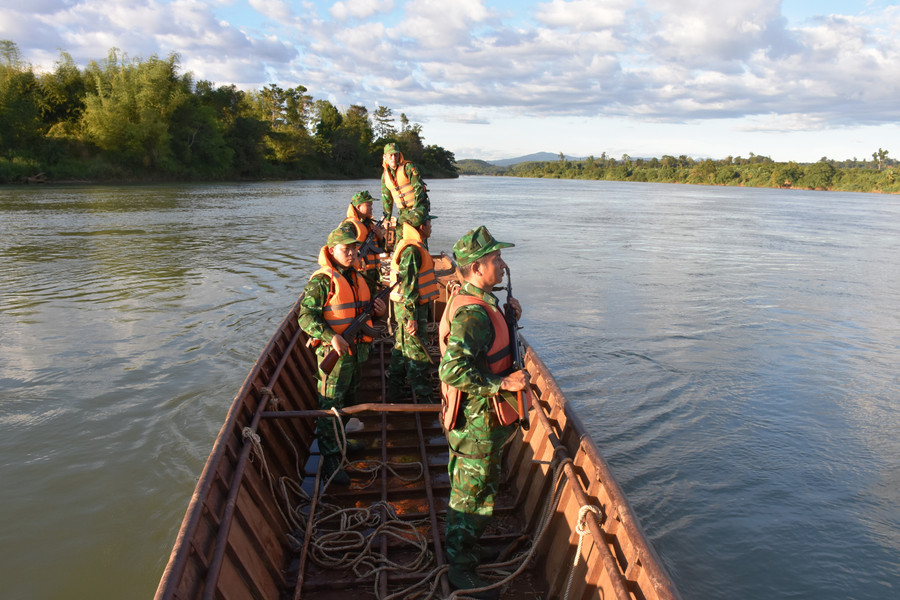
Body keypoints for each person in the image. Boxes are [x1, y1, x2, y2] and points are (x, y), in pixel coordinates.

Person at [438, 226, 529, 599]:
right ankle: (461, 568)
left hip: (481, 422)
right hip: (476, 424)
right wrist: (502, 384)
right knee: (471, 496)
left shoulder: (480, 302)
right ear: (476, 268)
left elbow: (488, 349)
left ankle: (468, 549)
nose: (503, 265)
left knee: (476, 490)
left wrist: (510, 318)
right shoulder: (473, 315)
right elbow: (452, 370)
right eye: (496, 259)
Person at [298, 221, 386, 485]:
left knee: (348, 401)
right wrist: (331, 336)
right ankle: (331, 460)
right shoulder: (323, 282)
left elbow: (364, 313)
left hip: (356, 353)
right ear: (331, 251)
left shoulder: (357, 277)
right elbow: (305, 317)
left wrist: (379, 312)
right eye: (345, 249)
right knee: (330, 407)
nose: (351, 253)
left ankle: (343, 441)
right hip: (334, 357)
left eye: (354, 248)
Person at [386, 211, 439, 404]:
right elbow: (409, 287)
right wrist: (412, 318)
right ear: (421, 227)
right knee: (418, 353)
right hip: (411, 309)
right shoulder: (412, 251)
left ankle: (393, 392)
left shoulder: (415, 246)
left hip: (410, 308)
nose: (431, 227)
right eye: (429, 223)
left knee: (401, 349)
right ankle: (425, 400)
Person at [381, 142, 429, 241]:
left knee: (414, 230)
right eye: (390, 155)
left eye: (396, 155)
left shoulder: (408, 167)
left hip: (419, 207)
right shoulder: (385, 176)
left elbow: (419, 188)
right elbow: (386, 198)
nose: (393, 158)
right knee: (399, 236)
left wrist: (415, 207)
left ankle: (421, 249)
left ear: (399, 155)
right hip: (403, 211)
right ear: (385, 157)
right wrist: (387, 218)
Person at [343, 190, 385, 288]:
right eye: (368, 205)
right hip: (361, 273)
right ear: (358, 207)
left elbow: (382, 249)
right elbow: (343, 248)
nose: (371, 208)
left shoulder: (370, 224)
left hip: (374, 273)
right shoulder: (350, 225)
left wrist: (380, 237)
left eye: (371, 205)